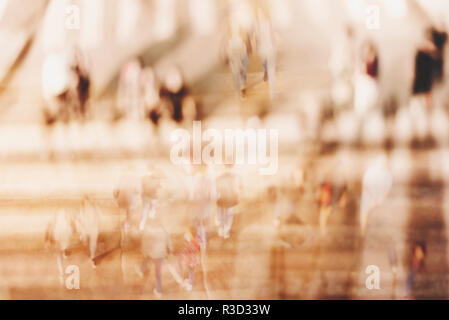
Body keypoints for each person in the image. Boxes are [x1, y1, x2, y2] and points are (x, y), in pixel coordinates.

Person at [140, 219, 173, 298]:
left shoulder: (150, 231)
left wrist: (144, 250)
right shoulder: (164, 232)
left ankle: (141, 270)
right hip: (160, 254)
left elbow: (146, 242)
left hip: (152, 253)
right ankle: (158, 290)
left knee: (146, 259)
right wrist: (171, 250)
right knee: (158, 273)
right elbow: (169, 242)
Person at [255, 9, 276, 99]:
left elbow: (272, 34)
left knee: (271, 66)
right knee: (264, 62)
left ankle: (272, 91)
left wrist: (274, 44)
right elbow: (256, 37)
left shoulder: (268, 23)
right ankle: (266, 72)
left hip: (269, 47)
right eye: (259, 15)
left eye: (261, 14)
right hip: (262, 47)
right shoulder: (257, 25)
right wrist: (256, 46)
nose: (260, 16)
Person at [75, 196, 101, 268]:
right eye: (85, 202)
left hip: (93, 228)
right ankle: (82, 238)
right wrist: (80, 227)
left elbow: (99, 216)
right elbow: (78, 219)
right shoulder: (81, 209)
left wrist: (97, 224)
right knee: (84, 241)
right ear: (84, 203)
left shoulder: (94, 208)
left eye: (88, 202)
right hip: (85, 228)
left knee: (93, 244)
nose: (87, 203)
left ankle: (93, 258)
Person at [225, 25, 249, 97]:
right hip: (236, 58)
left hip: (240, 57)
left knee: (240, 74)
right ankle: (240, 88)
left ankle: (242, 88)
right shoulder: (229, 40)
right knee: (238, 74)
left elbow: (244, 45)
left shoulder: (239, 36)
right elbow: (229, 51)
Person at [215, 164, 239, 239]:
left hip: (227, 199)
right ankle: (223, 230)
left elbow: (235, 189)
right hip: (224, 199)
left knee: (227, 215)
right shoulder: (221, 178)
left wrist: (236, 196)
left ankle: (224, 231)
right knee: (225, 215)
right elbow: (217, 189)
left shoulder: (232, 177)